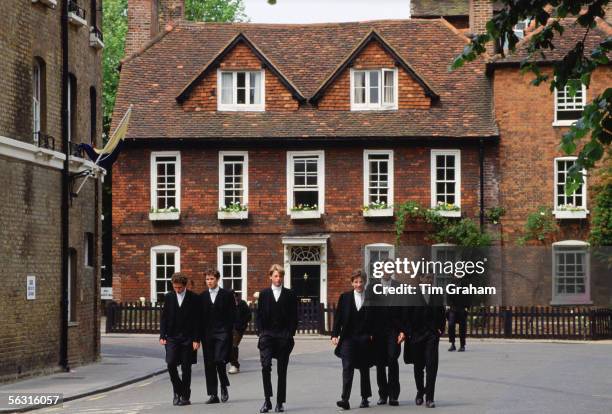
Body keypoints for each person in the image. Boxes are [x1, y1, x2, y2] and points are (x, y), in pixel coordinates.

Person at [256, 264, 298, 413]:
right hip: (267, 336)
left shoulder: (290, 295)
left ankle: (279, 402)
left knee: (282, 370)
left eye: (280, 276)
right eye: (275, 276)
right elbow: (259, 316)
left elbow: (294, 316)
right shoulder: (264, 294)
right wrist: (261, 333)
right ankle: (267, 400)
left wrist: (290, 334)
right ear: (270, 277)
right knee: (265, 367)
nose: (278, 278)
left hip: (283, 337)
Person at [332, 269, 374, 410]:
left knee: (364, 369)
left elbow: (376, 318)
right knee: (347, 367)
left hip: (364, 337)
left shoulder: (370, 298)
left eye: (361, 281)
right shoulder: (345, 297)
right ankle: (345, 399)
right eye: (355, 282)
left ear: (365, 282)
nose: (358, 284)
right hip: (348, 338)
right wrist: (334, 335)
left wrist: (372, 334)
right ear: (352, 283)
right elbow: (338, 318)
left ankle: (365, 398)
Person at [403, 273, 446, 408]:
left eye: (431, 278)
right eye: (426, 277)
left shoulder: (437, 294)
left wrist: (440, 329)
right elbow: (406, 315)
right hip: (416, 336)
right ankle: (420, 392)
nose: (428, 280)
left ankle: (430, 397)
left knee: (431, 366)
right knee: (418, 367)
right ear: (420, 278)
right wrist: (409, 333)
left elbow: (442, 313)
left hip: (432, 336)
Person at [365, 262, 405, 406]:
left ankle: (394, 395)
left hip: (394, 330)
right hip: (377, 330)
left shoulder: (399, 287)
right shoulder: (372, 286)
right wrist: (368, 331)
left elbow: (403, 311)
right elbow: (368, 309)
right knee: (380, 363)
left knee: (393, 359)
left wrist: (403, 331)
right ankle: (383, 394)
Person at [159, 273, 200, 406]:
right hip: (171, 337)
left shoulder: (194, 298)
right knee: (170, 363)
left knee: (186, 367)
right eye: (175, 287)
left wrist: (196, 339)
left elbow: (196, 321)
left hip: (188, 338)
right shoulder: (169, 297)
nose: (177, 290)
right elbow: (164, 317)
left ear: (185, 285)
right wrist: (162, 335)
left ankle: (185, 396)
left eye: (180, 288)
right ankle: (177, 391)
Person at [198, 269, 236, 404]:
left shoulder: (226, 295)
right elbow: (199, 318)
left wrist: (228, 331)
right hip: (207, 335)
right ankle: (213, 395)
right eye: (207, 279)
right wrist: (198, 337)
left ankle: (224, 385)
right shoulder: (202, 296)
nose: (209, 281)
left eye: (212, 279)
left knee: (219, 360)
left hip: (222, 333)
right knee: (209, 364)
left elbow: (232, 314)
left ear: (217, 279)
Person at [229, 290, 252, 374]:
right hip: (228, 328)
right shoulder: (227, 305)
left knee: (233, 346)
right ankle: (234, 363)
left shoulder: (242, 304)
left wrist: (242, 324)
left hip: (238, 329)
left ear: (236, 296)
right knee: (228, 346)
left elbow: (248, 316)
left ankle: (234, 365)